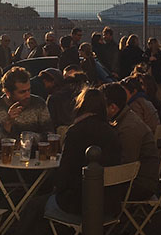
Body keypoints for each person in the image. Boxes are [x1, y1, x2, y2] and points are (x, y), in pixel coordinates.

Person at [50, 87, 121, 216]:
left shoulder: (76, 131)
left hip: (79, 202)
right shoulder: (112, 131)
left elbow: (65, 171)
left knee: (36, 204)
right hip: (110, 202)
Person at [105, 83, 159, 200]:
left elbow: (126, 165)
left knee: (91, 187)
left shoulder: (129, 128)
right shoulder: (125, 118)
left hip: (141, 184)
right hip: (141, 177)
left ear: (113, 107)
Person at [0, 67, 53, 137]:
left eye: (29, 90)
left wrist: (30, 138)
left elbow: (50, 134)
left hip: (34, 148)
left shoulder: (38, 103)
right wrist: (8, 123)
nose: (28, 95)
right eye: (22, 92)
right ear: (8, 93)